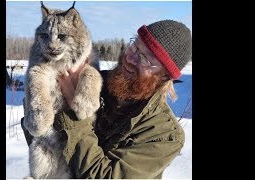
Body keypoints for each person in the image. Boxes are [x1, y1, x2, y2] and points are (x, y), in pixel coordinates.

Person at [21, 19, 192, 179]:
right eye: (135, 47)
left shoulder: (164, 134)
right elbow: (37, 134)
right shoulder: (90, 82)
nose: (130, 58)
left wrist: (76, 110)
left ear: (164, 77)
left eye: (145, 58)